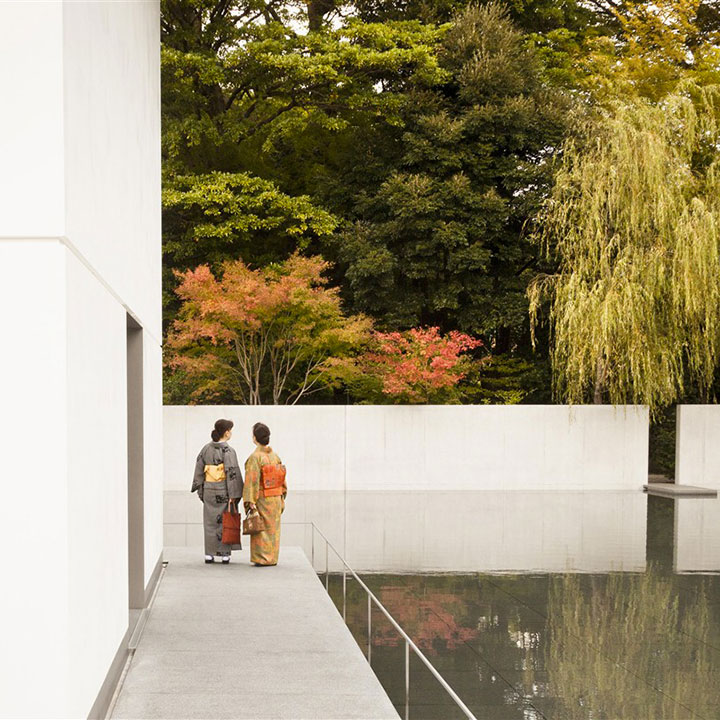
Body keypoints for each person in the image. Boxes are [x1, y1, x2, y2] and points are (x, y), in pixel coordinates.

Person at [191, 418, 244, 564]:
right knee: (224, 521)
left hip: (209, 489)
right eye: (230, 430)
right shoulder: (228, 451)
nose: (231, 433)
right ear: (226, 433)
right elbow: (233, 474)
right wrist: (234, 495)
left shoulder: (206, 449)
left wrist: (201, 489)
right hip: (224, 490)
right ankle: (224, 554)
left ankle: (209, 554)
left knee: (209, 522)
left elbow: (199, 470)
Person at [243, 422, 287, 566]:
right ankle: (272, 558)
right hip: (276, 497)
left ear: (255, 438)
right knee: (273, 530)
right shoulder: (275, 456)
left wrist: (250, 502)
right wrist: (281, 496)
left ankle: (262, 558)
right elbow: (282, 480)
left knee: (261, 529)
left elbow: (252, 481)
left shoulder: (255, 457)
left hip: (262, 498)